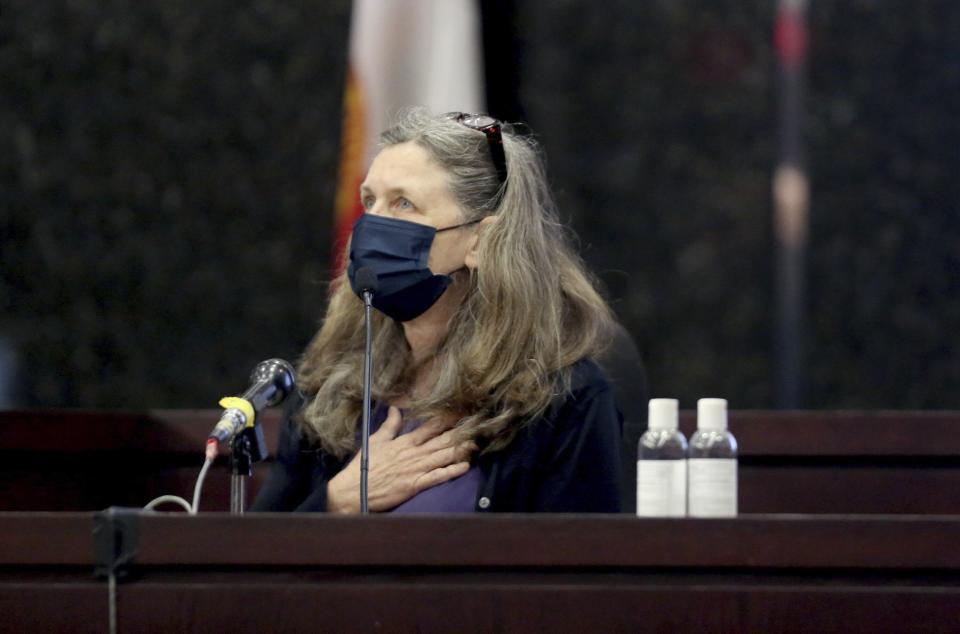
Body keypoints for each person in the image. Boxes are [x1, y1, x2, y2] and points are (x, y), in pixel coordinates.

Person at [251, 108, 623, 514]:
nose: (372, 226)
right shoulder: (329, 381)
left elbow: (573, 568)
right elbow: (258, 559)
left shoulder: (561, 397)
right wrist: (339, 503)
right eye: (369, 201)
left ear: (481, 241)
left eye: (403, 204)